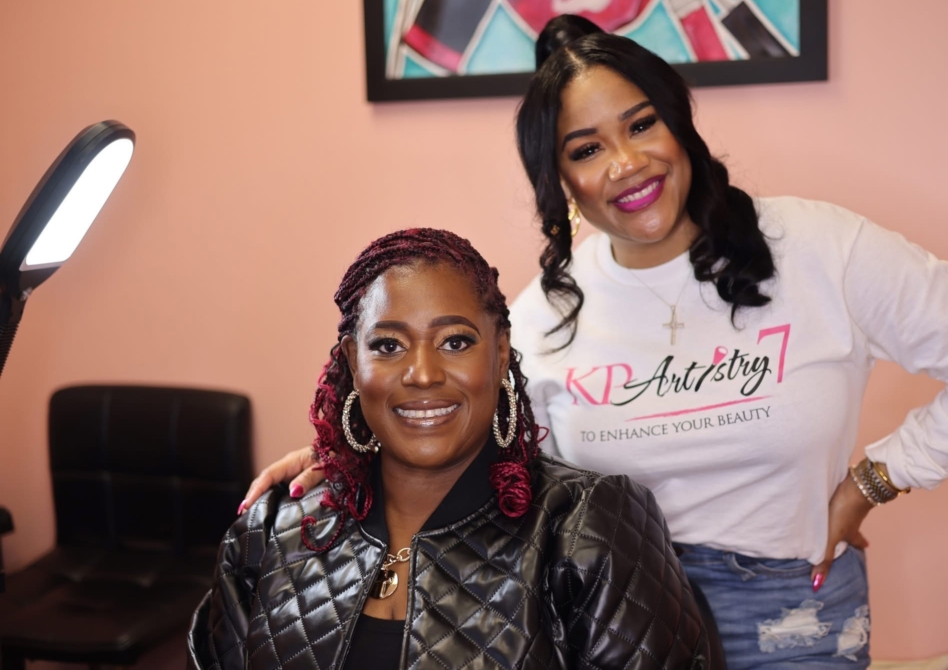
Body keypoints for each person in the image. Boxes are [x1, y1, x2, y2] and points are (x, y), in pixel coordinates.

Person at [240, 17, 948, 668]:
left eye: (641, 123)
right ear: (562, 183)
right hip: (605, 613)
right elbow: (475, 436)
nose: (625, 163)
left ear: (678, 124)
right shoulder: (544, 315)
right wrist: (347, 457)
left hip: (792, 617)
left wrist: (872, 481)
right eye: (585, 149)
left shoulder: (822, 250)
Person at [189, 228, 714, 670]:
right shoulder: (271, 529)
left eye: (456, 341)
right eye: (388, 345)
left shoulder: (587, 524)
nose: (422, 374)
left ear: (501, 350)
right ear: (353, 360)